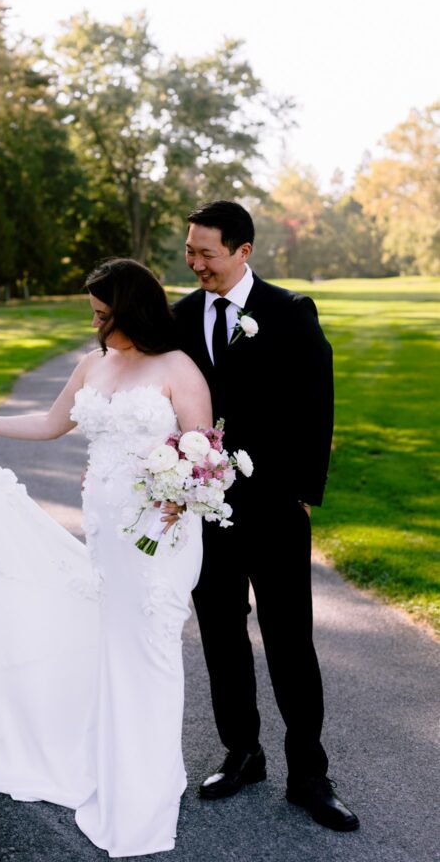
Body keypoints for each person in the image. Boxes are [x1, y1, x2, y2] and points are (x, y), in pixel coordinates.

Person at [0, 258, 213, 859]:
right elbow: (53, 424)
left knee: (149, 654)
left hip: (162, 538)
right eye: (94, 315)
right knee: (116, 653)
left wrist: (183, 498)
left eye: (105, 313)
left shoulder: (178, 368)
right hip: (107, 535)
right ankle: (118, 768)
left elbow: (204, 457)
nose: (97, 325)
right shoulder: (93, 364)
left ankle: (145, 796)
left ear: (133, 310)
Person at [172, 200, 359, 832]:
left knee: (289, 640)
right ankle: (241, 752)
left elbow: (317, 399)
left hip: (276, 508)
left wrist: (304, 490)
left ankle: (309, 772)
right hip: (207, 512)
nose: (196, 263)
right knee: (221, 634)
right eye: (190, 252)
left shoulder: (288, 312)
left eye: (207, 253)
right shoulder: (179, 318)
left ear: (243, 251)